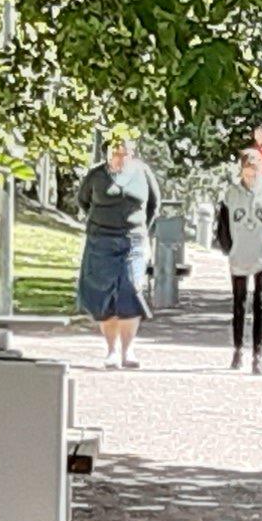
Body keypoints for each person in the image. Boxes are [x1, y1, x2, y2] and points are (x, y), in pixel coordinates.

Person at [74, 135, 155, 367]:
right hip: (101, 241)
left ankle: (128, 351)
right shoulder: (96, 175)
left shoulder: (142, 173)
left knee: (130, 289)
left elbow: (153, 205)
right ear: (107, 154)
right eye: (115, 153)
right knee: (104, 294)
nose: (120, 158)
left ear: (132, 154)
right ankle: (111, 350)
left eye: (124, 153)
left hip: (133, 241)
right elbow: (84, 201)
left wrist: (139, 228)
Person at [212, 125, 262, 371]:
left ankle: (258, 354)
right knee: (239, 302)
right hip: (239, 253)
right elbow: (222, 222)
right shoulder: (231, 193)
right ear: (242, 170)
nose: (251, 175)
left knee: (261, 302)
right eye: (247, 170)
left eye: (255, 170)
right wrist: (228, 247)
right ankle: (237, 350)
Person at [148, 170, 191, 315]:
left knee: (167, 259)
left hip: (167, 243)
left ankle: (165, 298)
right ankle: (163, 298)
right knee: (163, 260)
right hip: (162, 242)